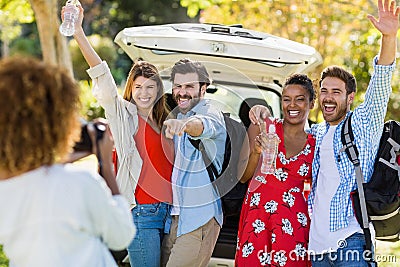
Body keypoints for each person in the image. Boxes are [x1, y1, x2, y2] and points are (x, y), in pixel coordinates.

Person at [249, 0, 399, 265]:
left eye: (336, 92)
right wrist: (260, 110)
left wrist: (388, 38)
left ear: (350, 97)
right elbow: (286, 128)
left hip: (349, 242)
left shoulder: (363, 124)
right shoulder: (315, 133)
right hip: (316, 247)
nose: (328, 98)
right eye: (324, 91)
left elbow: (381, 80)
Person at [64, 5, 174, 267]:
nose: (144, 93)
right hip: (140, 213)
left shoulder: (167, 119)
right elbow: (101, 74)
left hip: (169, 213)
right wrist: (78, 31)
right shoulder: (121, 113)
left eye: (150, 87)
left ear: (159, 89)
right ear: (131, 88)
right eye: (138, 87)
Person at [0, 56, 135, 267]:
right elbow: (121, 236)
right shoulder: (79, 183)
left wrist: (56, 161)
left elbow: (32, 180)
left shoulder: (5, 191)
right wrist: (106, 164)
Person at [235, 74, 315, 267]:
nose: (292, 105)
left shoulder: (316, 141)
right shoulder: (263, 126)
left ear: (312, 103)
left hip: (294, 221)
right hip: (257, 217)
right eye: (287, 99)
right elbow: (243, 176)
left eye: (300, 99)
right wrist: (256, 152)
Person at [160, 58, 226, 267]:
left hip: (199, 219)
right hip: (175, 218)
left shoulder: (209, 113)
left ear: (203, 88)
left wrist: (185, 125)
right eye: (178, 86)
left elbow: (202, 126)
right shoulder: (180, 113)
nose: (182, 92)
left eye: (189, 86)